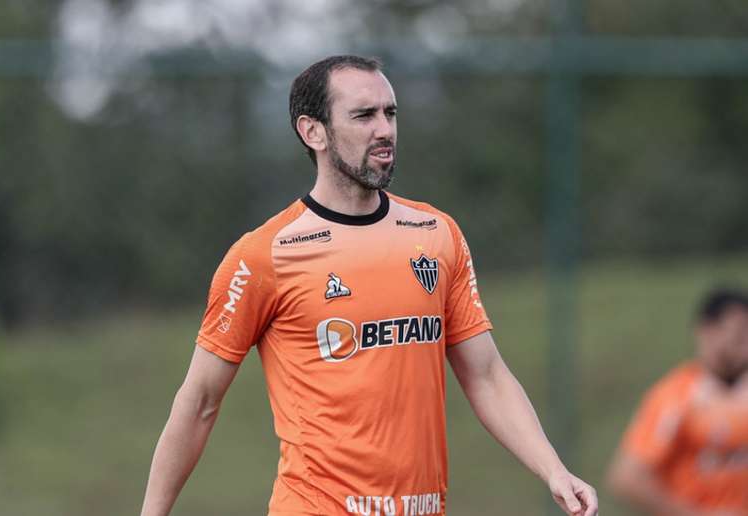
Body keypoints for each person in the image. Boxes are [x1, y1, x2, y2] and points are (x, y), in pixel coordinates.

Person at [140, 55, 598, 516]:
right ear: (312, 131)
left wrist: (553, 470)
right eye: (364, 115)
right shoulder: (263, 255)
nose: (384, 129)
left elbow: (486, 376)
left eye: (390, 113)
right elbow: (199, 401)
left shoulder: (437, 234)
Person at [607, 288, 748, 516]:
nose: (745, 344)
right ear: (707, 332)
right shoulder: (677, 396)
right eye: (739, 335)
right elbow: (628, 477)